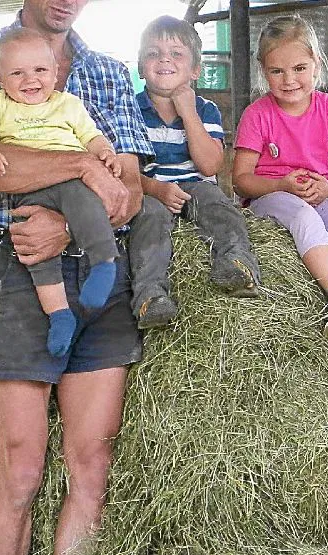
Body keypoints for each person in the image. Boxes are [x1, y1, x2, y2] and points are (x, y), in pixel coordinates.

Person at [0, 0, 154, 555]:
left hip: (100, 268)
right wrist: (81, 167)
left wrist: (70, 216)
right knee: (22, 467)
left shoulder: (105, 71)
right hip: (18, 264)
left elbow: (126, 186)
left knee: (92, 460)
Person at [0, 28, 122, 357]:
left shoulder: (67, 105)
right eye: (17, 73)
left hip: (71, 182)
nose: (30, 80)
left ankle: (104, 261)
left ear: (55, 73)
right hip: (29, 188)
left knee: (86, 204)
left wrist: (105, 151)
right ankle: (59, 314)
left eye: (40, 70)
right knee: (36, 252)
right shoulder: (0, 105)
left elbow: (91, 137)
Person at [232, 15, 328, 352]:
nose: (289, 80)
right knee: (302, 215)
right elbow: (241, 181)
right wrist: (280, 183)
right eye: (276, 71)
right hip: (272, 196)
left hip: (319, 191)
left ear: (316, 64)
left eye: (299, 68)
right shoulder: (257, 114)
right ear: (262, 70)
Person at [129, 14, 261, 330]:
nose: (164, 59)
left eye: (176, 54)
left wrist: (187, 110)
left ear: (195, 71)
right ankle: (150, 296)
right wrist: (155, 189)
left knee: (219, 207)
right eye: (153, 53)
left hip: (196, 184)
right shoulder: (131, 109)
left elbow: (210, 166)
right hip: (151, 188)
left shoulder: (205, 110)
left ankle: (236, 263)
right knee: (149, 221)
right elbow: (125, 170)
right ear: (140, 67)